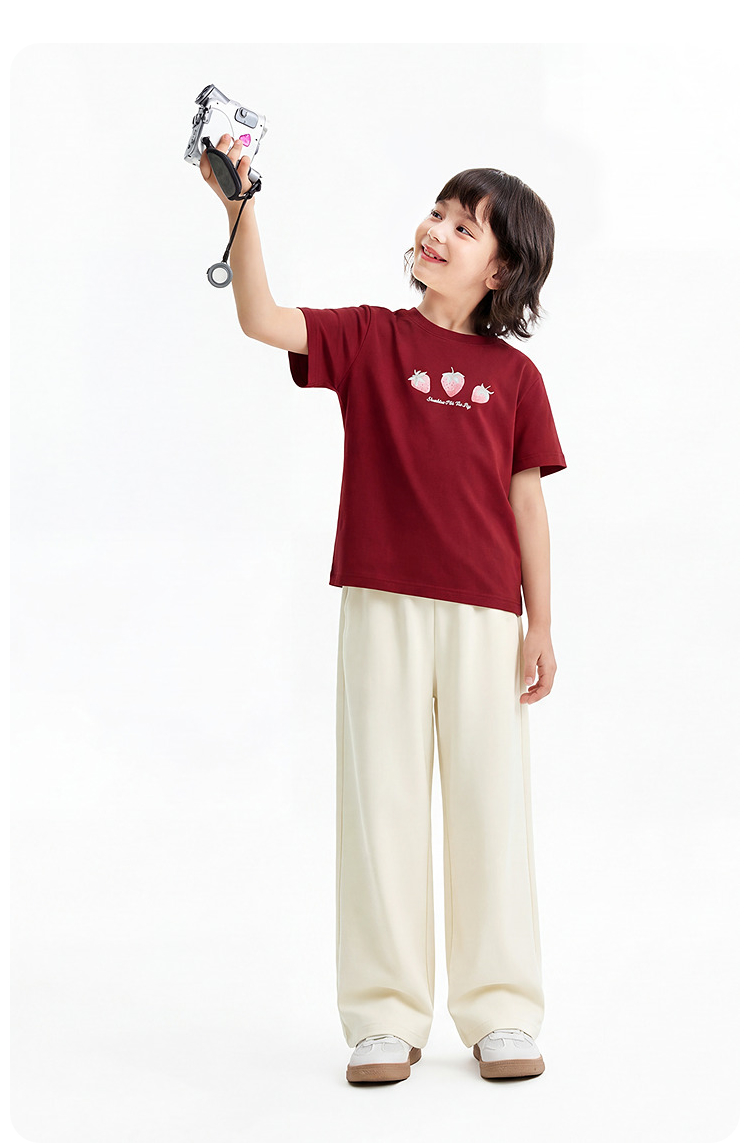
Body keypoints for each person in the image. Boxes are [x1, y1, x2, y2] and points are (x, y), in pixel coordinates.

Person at [200, 137, 567, 1085]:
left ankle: (501, 1009)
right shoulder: (370, 337)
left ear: (502, 271)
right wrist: (239, 208)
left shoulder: (516, 380)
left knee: (490, 808)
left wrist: (540, 623)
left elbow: (528, 503)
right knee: (383, 808)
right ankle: (384, 1015)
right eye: (437, 213)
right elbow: (261, 317)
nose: (436, 231)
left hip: (485, 616)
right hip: (381, 604)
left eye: (464, 227)